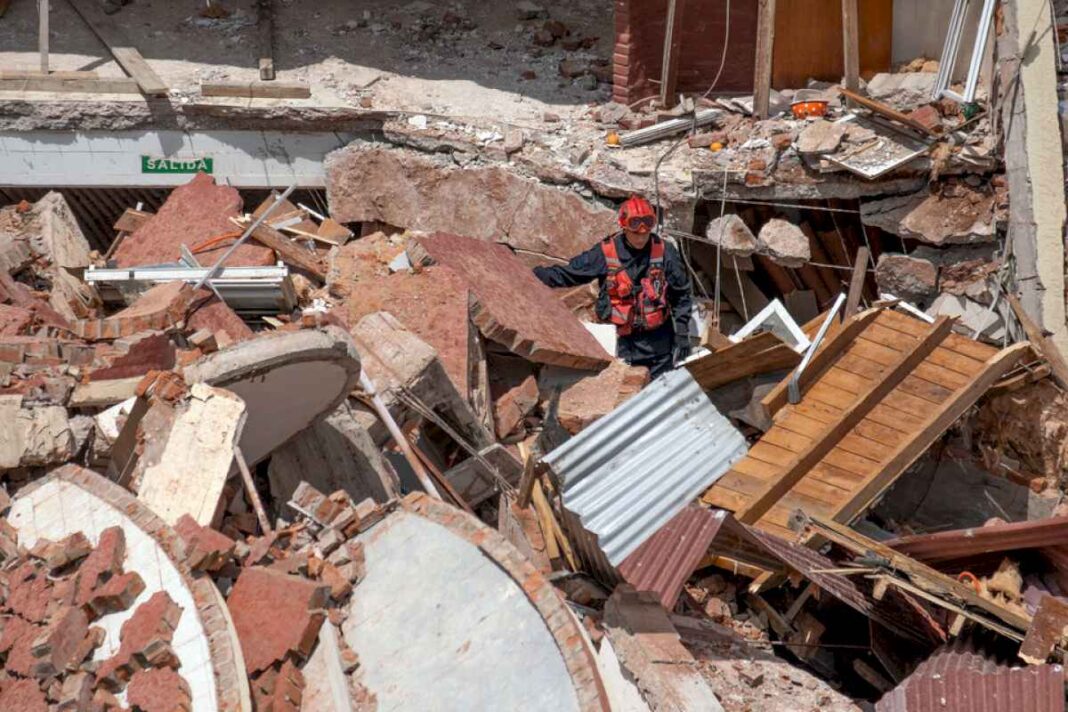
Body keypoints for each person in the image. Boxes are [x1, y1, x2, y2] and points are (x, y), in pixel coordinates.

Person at [533, 195, 693, 379]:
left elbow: (682, 294)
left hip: (659, 345)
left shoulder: (665, 252)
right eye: (636, 234)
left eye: (645, 233)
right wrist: (532, 275)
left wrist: (682, 333)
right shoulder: (605, 252)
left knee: (658, 398)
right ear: (624, 227)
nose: (641, 238)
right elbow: (570, 274)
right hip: (621, 344)